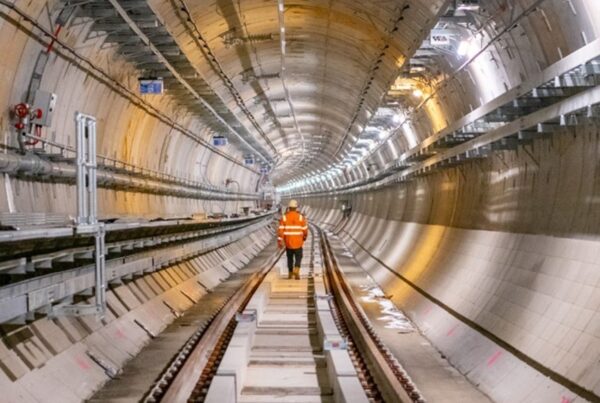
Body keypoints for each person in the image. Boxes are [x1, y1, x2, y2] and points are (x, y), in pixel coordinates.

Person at [277, 200, 308, 280]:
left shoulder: (284, 217)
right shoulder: (301, 217)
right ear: (296, 208)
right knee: (299, 257)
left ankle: (290, 274)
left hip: (288, 242)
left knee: (289, 258)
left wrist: (280, 241)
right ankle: (296, 270)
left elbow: (280, 231)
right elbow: (305, 229)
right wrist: (304, 237)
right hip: (298, 242)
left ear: (289, 208)